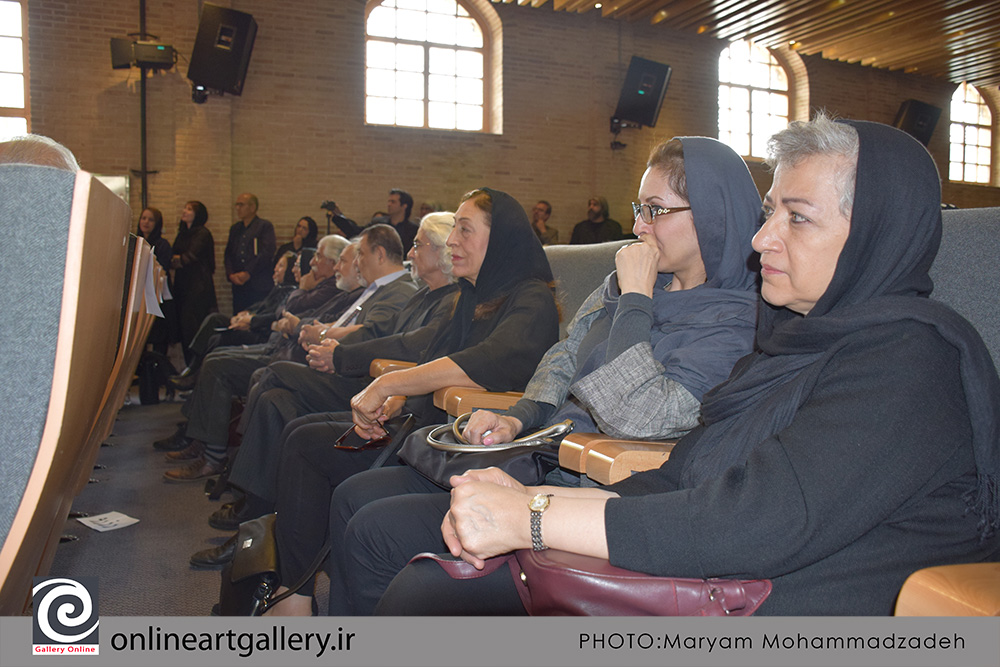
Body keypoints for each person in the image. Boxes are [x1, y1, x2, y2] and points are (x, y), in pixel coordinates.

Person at [361, 116, 1000, 617]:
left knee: (429, 593)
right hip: (712, 576)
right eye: (770, 212)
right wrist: (531, 499)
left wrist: (531, 517)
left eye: (798, 218)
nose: (761, 238)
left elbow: (750, 522)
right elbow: (680, 474)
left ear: (874, 234)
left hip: (774, 606)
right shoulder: (792, 343)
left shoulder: (911, 361)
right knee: (426, 582)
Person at [322, 136, 763, 615]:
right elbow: (565, 354)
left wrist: (637, 301)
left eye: (656, 210)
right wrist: (520, 416)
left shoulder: (737, 322)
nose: (639, 226)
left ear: (713, 216)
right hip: (539, 459)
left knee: (381, 540)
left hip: (595, 500)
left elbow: (637, 418)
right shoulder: (624, 282)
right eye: (640, 209)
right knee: (355, 500)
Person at [256, 189, 562, 615]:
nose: (452, 240)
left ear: (501, 239)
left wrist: (389, 384)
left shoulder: (532, 299)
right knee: (321, 462)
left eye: (465, 229)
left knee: (320, 461)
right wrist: (399, 397)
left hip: (475, 456)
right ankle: (311, 604)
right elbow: (434, 360)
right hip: (434, 440)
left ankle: (301, 599)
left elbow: (489, 361)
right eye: (454, 229)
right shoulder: (472, 296)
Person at [163, 235, 354, 481]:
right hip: (281, 348)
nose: (312, 263)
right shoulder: (329, 287)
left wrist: (299, 295)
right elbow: (283, 312)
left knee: (217, 365)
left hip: (290, 356)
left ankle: (213, 456)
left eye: (319, 257)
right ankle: (202, 441)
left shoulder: (330, 288)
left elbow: (292, 312)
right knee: (216, 355)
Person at [171, 200, 218, 363]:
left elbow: (189, 257)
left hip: (198, 286)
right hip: (183, 285)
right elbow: (173, 256)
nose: (185, 211)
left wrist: (176, 260)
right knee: (184, 329)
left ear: (198, 214)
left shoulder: (202, 233)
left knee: (194, 327)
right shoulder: (183, 233)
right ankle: (188, 366)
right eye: (185, 208)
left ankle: (197, 367)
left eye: (190, 209)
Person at [225, 192, 277, 312]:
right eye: (237, 205)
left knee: (256, 314)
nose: (237, 208)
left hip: (258, 282)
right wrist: (231, 274)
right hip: (239, 283)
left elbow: (267, 252)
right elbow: (228, 253)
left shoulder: (264, 226)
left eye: (241, 205)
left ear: (252, 207)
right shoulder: (235, 229)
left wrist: (248, 272)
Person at [137, 207, 176, 354]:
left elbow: (162, 269)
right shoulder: (136, 242)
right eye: (143, 218)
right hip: (139, 296)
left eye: (151, 220)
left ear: (157, 223)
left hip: (157, 295)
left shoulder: (162, 244)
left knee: (159, 336)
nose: (146, 222)